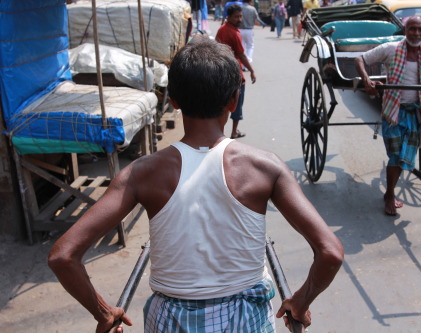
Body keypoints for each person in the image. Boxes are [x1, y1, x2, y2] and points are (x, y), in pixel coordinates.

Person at [48, 37, 344, 333]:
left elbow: (63, 256)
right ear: (234, 100)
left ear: (174, 100)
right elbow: (330, 252)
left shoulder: (141, 173)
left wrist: (103, 313)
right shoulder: (267, 167)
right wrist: (300, 302)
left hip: (170, 320)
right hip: (246, 318)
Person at [354, 15, 421, 216]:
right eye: (412, 29)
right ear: (405, 29)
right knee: (395, 156)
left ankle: (389, 192)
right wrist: (366, 80)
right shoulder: (390, 49)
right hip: (393, 110)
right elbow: (360, 59)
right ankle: (390, 194)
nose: (416, 33)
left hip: (418, 112)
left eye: (420, 30)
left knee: (403, 158)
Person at [216, 4, 255, 139]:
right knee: (237, 104)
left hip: (222, 72)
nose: (239, 19)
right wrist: (251, 70)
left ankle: (219, 133)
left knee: (222, 104)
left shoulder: (222, 29)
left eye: (240, 16)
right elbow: (242, 55)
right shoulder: (233, 33)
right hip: (235, 74)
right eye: (236, 17)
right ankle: (234, 131)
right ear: (229, 17)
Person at [240, 0, 266, 66]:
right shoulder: (252, 9)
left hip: (239, 30)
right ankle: (248, 61)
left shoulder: (239, 8)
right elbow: (257, 19)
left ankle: (242, 63)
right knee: (250, 46)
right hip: (249, 30)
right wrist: (263, 23)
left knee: (242, 47)